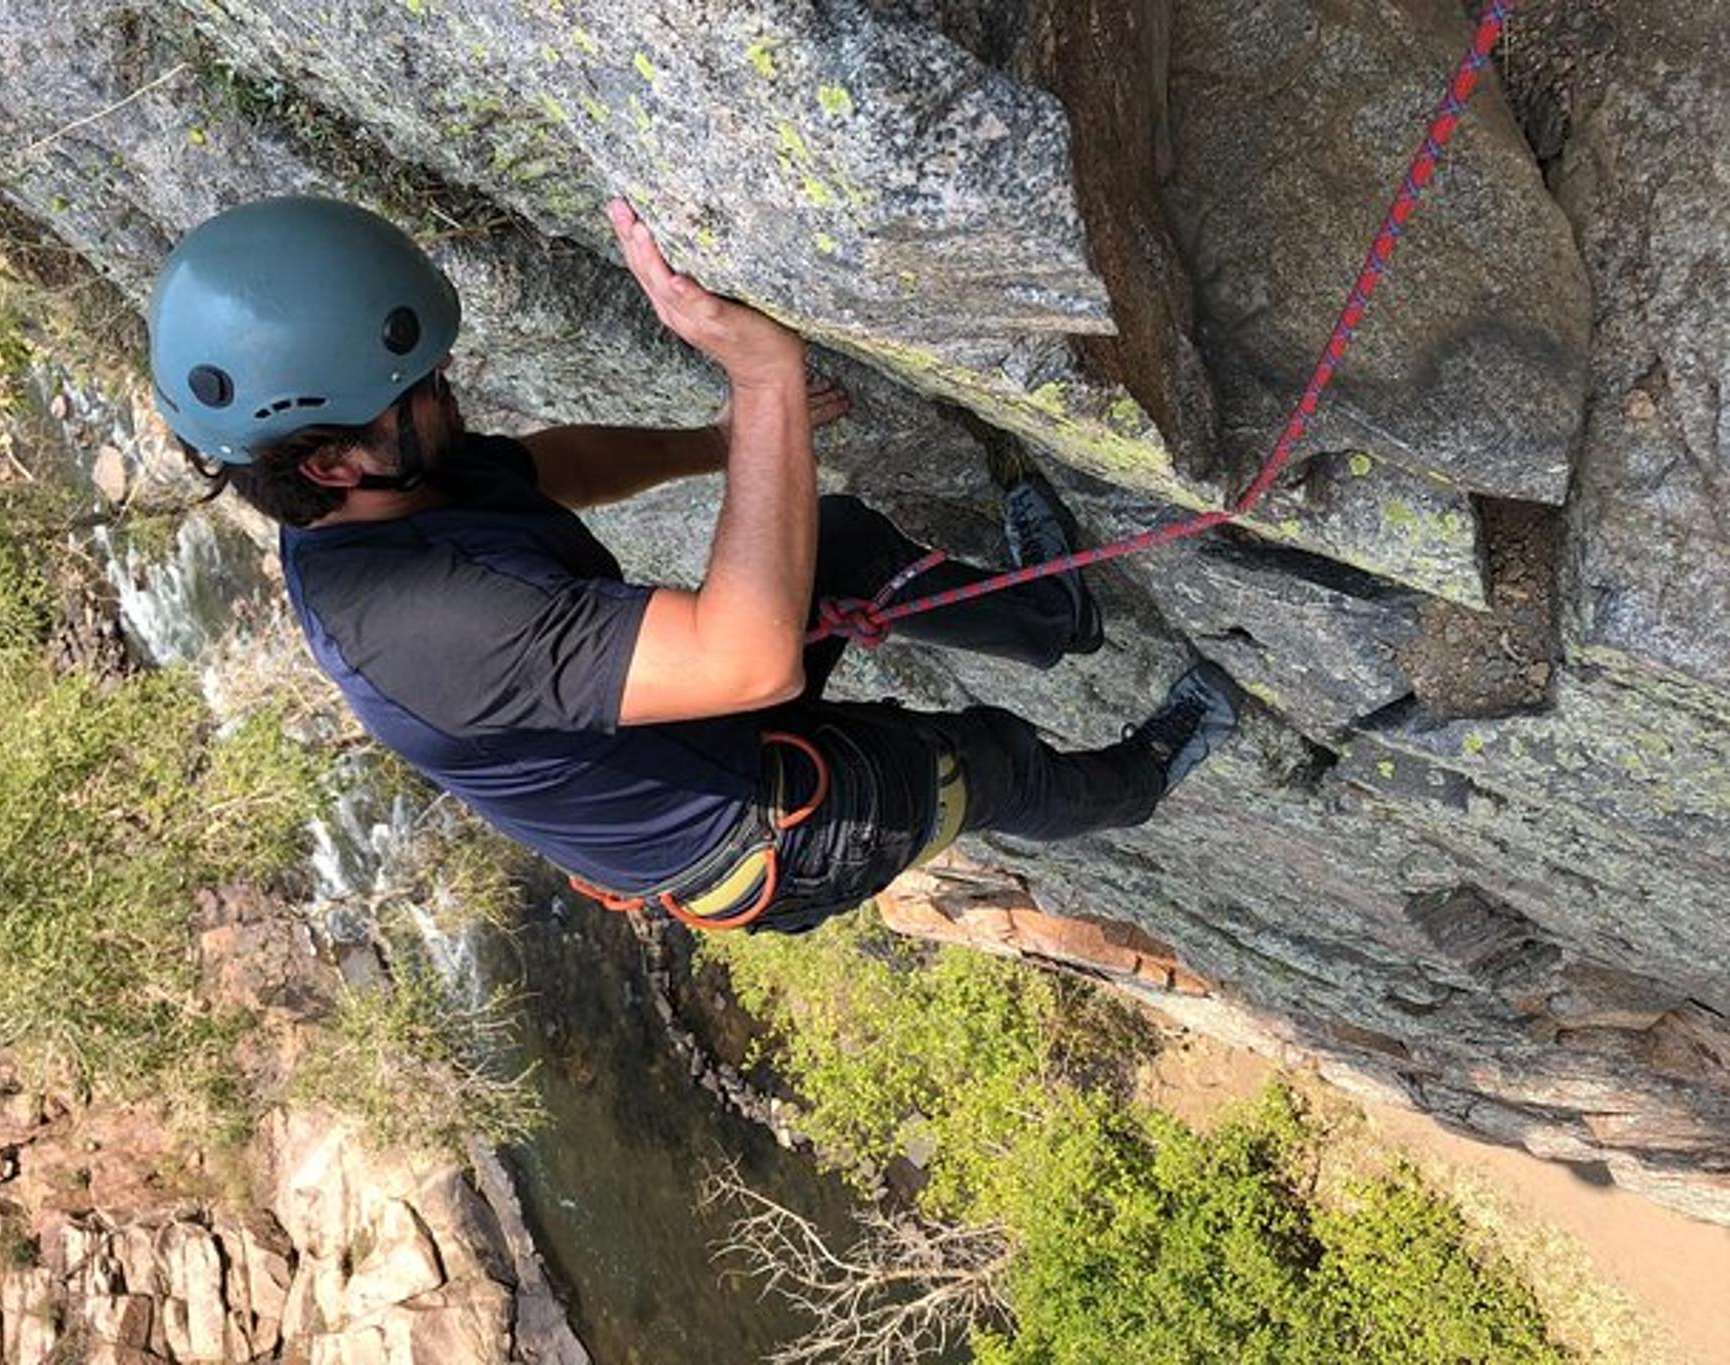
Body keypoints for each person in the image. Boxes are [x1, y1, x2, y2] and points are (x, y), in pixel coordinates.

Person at [148, 195, 1240, 934]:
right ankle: (1147, 774)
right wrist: (765, 380)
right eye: (420, 389)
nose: (447, 390)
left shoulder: (394, 482)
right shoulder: (422, 622)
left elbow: (550, 468)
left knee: (846, 542)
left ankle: (1052, 619)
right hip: (758, 831)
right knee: (988, 763)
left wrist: (726, 442)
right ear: (335, 459)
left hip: (694, 725)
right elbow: (749, 659)